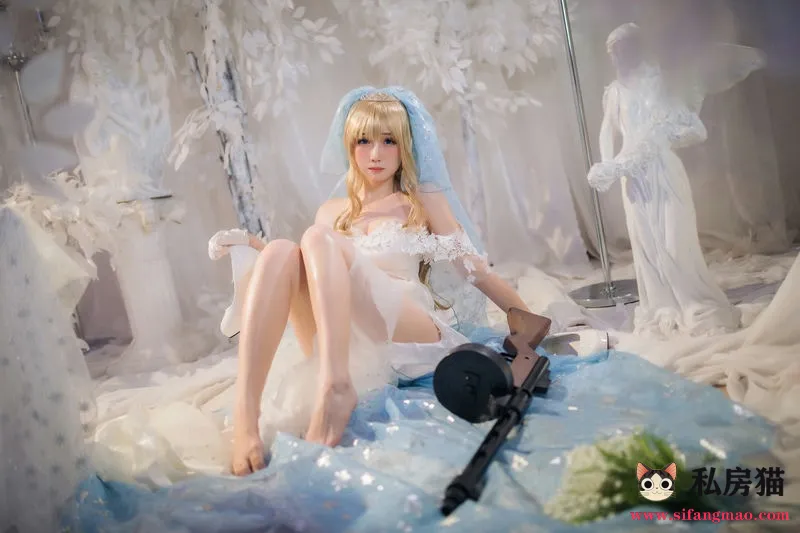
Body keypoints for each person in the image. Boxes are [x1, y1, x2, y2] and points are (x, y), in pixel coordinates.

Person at [208, 87, 534, 476]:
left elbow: (476, 271)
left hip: (406, 323)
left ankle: (335, 384)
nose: (375, 154)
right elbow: (305, 277)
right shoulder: (330, 211)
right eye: (364, 141)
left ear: (405, 146)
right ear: (349, 145)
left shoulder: (421, 201)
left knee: (315, 239)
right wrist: (251, 249)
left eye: (388, 141)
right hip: (342, 335)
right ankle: (246, 417)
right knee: (280, 249)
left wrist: (529, 320)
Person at [587, 23, 741, 338]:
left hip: (664, 172)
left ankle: (693, 301)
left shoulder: (661, 85)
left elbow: (696, 130)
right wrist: (608, 164)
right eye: (612, 52)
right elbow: (607, 129)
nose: (616, 58)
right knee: (646, 244)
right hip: (633, 179)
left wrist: (664, 137)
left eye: (621, 50)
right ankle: (662, 305)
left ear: (635, 48)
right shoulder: (614, 92)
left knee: (674, 240)